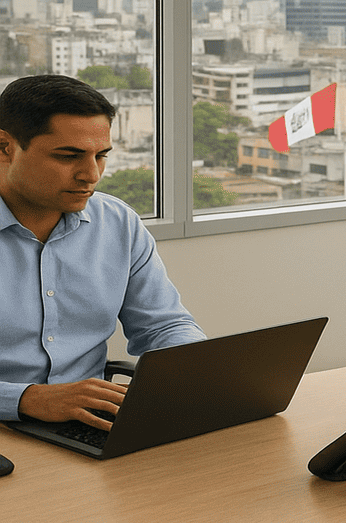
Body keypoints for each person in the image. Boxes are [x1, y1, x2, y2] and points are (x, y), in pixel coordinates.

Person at [0, 75, 204, 432]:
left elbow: (163, 324)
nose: (91, 175)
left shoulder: (117, 222)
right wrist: (25, 398)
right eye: (68, 156)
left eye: (101, 156)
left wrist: (199, 369)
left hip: (91, 425)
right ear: (5, 147)